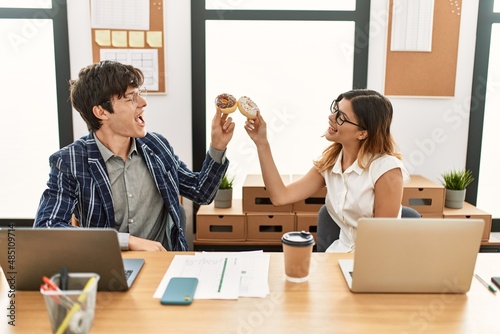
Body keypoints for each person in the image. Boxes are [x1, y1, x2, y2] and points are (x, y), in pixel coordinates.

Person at [34, 60, 235, 251]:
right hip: (110, 267)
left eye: (139, 94)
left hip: (165, 263)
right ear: (101, 112)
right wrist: (126, 242)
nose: (143, 103)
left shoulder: (156, 146)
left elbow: (201, 192)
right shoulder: (70, 161)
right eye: (131, 98)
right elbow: (47, 228)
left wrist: (217, 146)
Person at [244, 89, 409, 252]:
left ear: (362, 133)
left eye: (341, 117)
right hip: (339, 254)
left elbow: (383, 240)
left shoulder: (387, 169)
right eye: (335, 109)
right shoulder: (330, 163)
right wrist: (262, 143)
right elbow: (280, 197)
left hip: (374, 259)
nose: (331, 118)